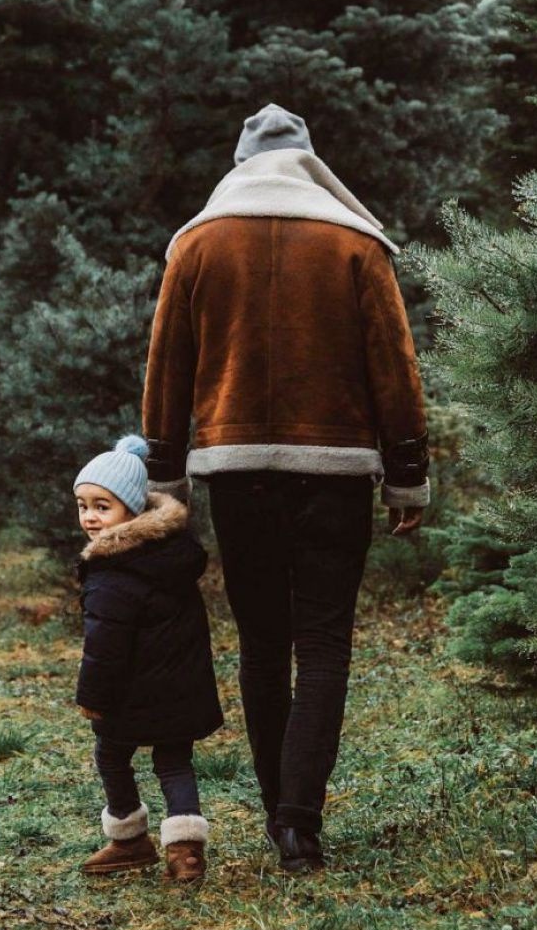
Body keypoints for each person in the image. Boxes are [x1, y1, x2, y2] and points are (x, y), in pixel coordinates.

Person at [142, 102, 430, 872]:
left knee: (263, 643)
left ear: (239, 163)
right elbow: (394, 369)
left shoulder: (197, 244)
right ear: (307, 160)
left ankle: (279, 809)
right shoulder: (354, 242)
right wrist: (406, 474)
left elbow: (165, 367)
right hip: (333, 470)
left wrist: (165, 474)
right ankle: (299, 823)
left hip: (236, 473)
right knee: (324, 642)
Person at [73, 434, 224, 884]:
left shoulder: (113, 570)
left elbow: (104, 645)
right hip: (179, 688)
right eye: (83, 506)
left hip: (130, 693)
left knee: (112, 755)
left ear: (133, 508)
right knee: (174, 761)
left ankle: (129, 837)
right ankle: (186, 851)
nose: (90, 518)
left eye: (103, 506)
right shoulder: (171, 553)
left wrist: (93, 697)